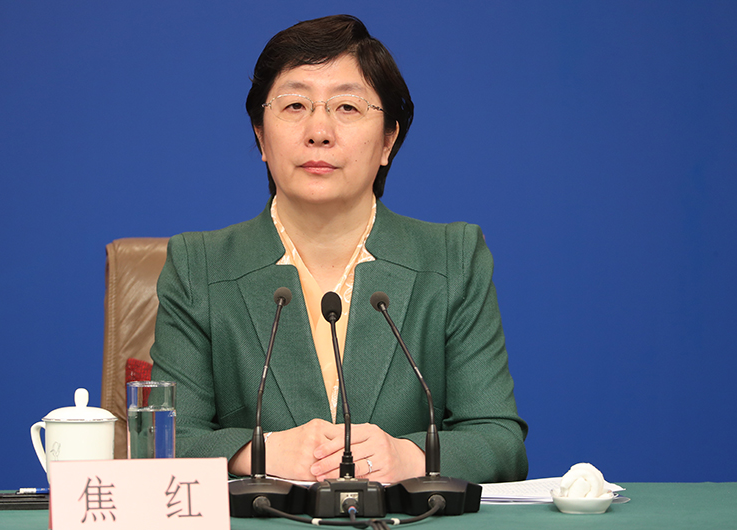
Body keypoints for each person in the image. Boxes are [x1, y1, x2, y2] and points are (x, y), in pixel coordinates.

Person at [149, 14, 528, 484]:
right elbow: (165, 441)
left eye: (347, 107)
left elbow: (498, 440)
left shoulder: (453, 259)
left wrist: (409, 456)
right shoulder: (199, 267)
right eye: (294, 105)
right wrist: (258, 452)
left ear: (388, 140)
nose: (319, 131)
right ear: (261, 136)